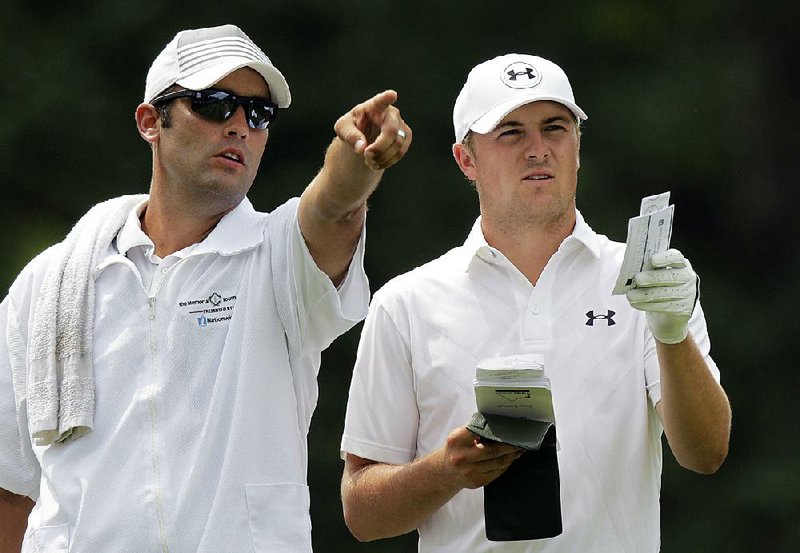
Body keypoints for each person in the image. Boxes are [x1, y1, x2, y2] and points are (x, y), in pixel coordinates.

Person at [0, 24, 411, 553]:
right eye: (215, 104)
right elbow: (10, 485)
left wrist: (358, 157)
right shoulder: (51, 282)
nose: (240, 125)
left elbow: (334, 206)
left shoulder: (276, 254)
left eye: (258, 114)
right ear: (151, 121)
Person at [339, 53, 730, 552]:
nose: (538, 149)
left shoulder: (648, 283)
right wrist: (447, 470)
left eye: (555, 128)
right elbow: (362, 513)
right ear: (466, 160)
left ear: (577, 147)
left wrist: (671, 335)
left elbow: (706, 453)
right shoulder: (406, 302)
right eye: (511, 133)